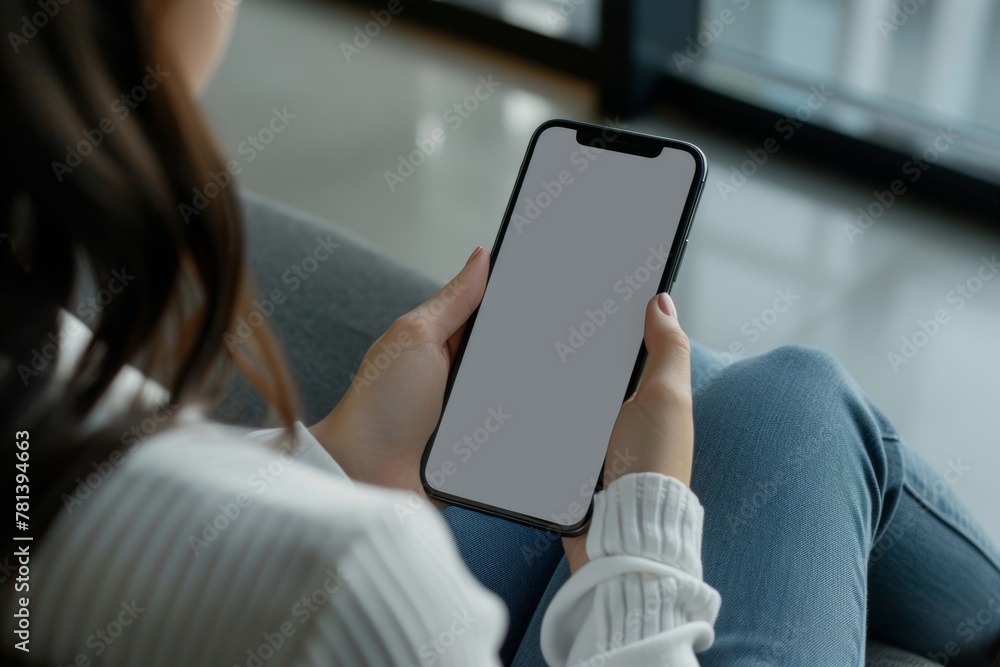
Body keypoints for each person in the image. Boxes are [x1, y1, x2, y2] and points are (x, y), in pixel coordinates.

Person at [1, 0, 997, 665]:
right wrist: (638, 531)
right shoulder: (343, 585)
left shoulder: (35, 357)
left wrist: (351, 454)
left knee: (692, 401)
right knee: (798, 398)